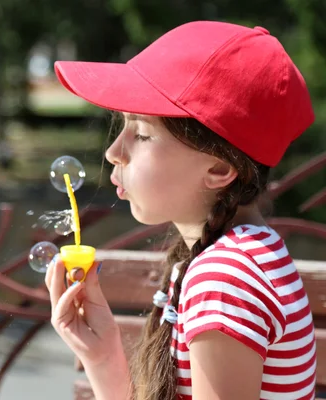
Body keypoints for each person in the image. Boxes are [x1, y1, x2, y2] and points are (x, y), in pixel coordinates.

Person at [45, 21, 317, 400]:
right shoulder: (231, 258)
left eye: (141, 134)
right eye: (122, 127)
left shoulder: (225, 278)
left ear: (220, 169)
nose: (113, 152)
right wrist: (103, 355)